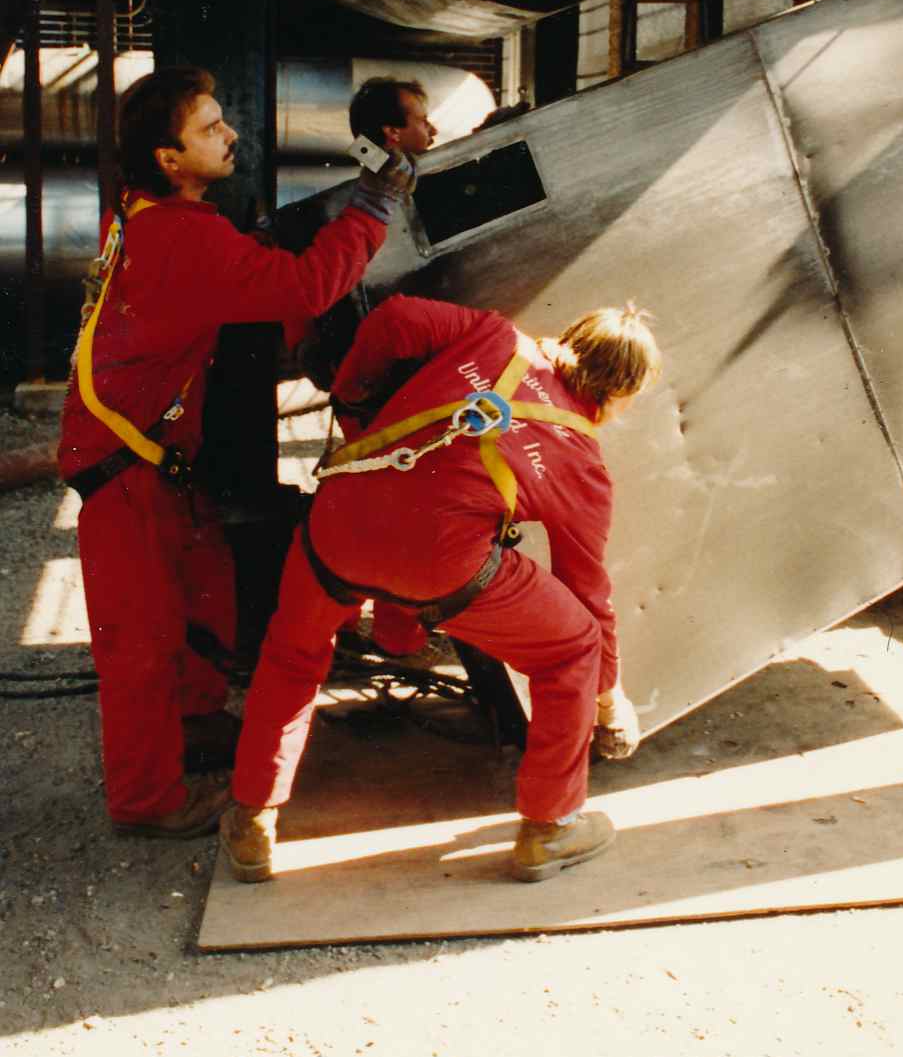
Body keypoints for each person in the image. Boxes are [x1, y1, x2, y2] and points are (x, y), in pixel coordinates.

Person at [58, 66, 416, 839]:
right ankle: (146, 801)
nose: (231, 134)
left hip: (149, 454)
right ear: (169, 159)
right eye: (211, 127)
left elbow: (210, 281)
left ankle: (189, 725)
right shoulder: (181, 235)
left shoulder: (149, 215)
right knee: (141, 640)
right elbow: (306, 288)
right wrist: (374, 206)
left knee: (205, 585)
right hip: (126, 467)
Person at [221, 293, 661, 884]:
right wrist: (609, 698)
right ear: (616, 396)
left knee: (293, 657)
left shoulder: (494, 335)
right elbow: (588, 594)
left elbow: (397, 318)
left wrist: (354, 401)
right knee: (572, 647)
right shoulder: (581, 460)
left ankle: (252, 820)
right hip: (436, 568)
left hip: (338, 523)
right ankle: (550, 828)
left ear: (571, 337)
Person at [276, 76, 438, 392]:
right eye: (423, 121)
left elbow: (365, 148)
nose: (433, 130)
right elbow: (377, 158)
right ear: (392, 133)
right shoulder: (387, 172)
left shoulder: (379, 162)